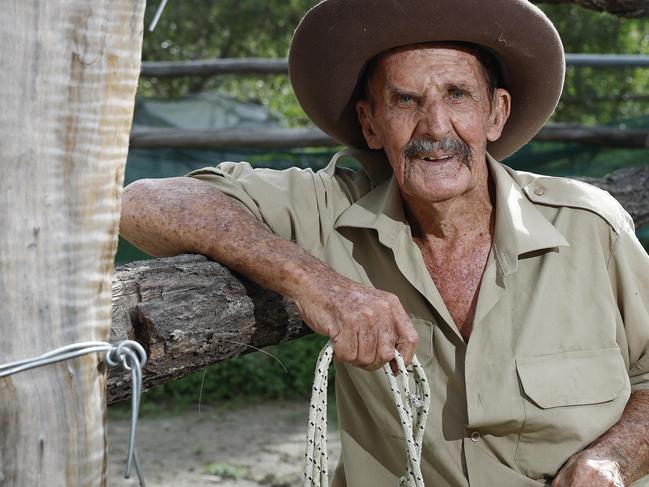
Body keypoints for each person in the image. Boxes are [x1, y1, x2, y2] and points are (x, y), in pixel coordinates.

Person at [119, 0, 649, 485]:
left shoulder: (589, 227)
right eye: (405, 100)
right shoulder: (331, 212)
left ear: (496, 113)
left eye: (457, 95)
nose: (435, 125)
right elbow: (141, 204)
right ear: (371, 124)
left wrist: (614, 459)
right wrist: (318, 285)